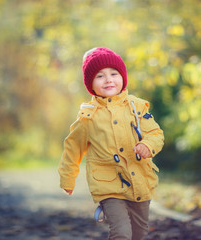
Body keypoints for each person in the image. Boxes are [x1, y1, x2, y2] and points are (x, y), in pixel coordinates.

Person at [58, 47, 164, 240]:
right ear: (90, 83)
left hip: (139, 179)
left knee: (138, 233)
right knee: (122, 233)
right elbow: (73, 148)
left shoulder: (136, 106)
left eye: (114, 74)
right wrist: (68, 177)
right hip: (108, 185)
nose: (108, 79)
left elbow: (155, 132)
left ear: (122, 77)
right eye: (100, 76)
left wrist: (148, 145)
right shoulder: (88, 117)